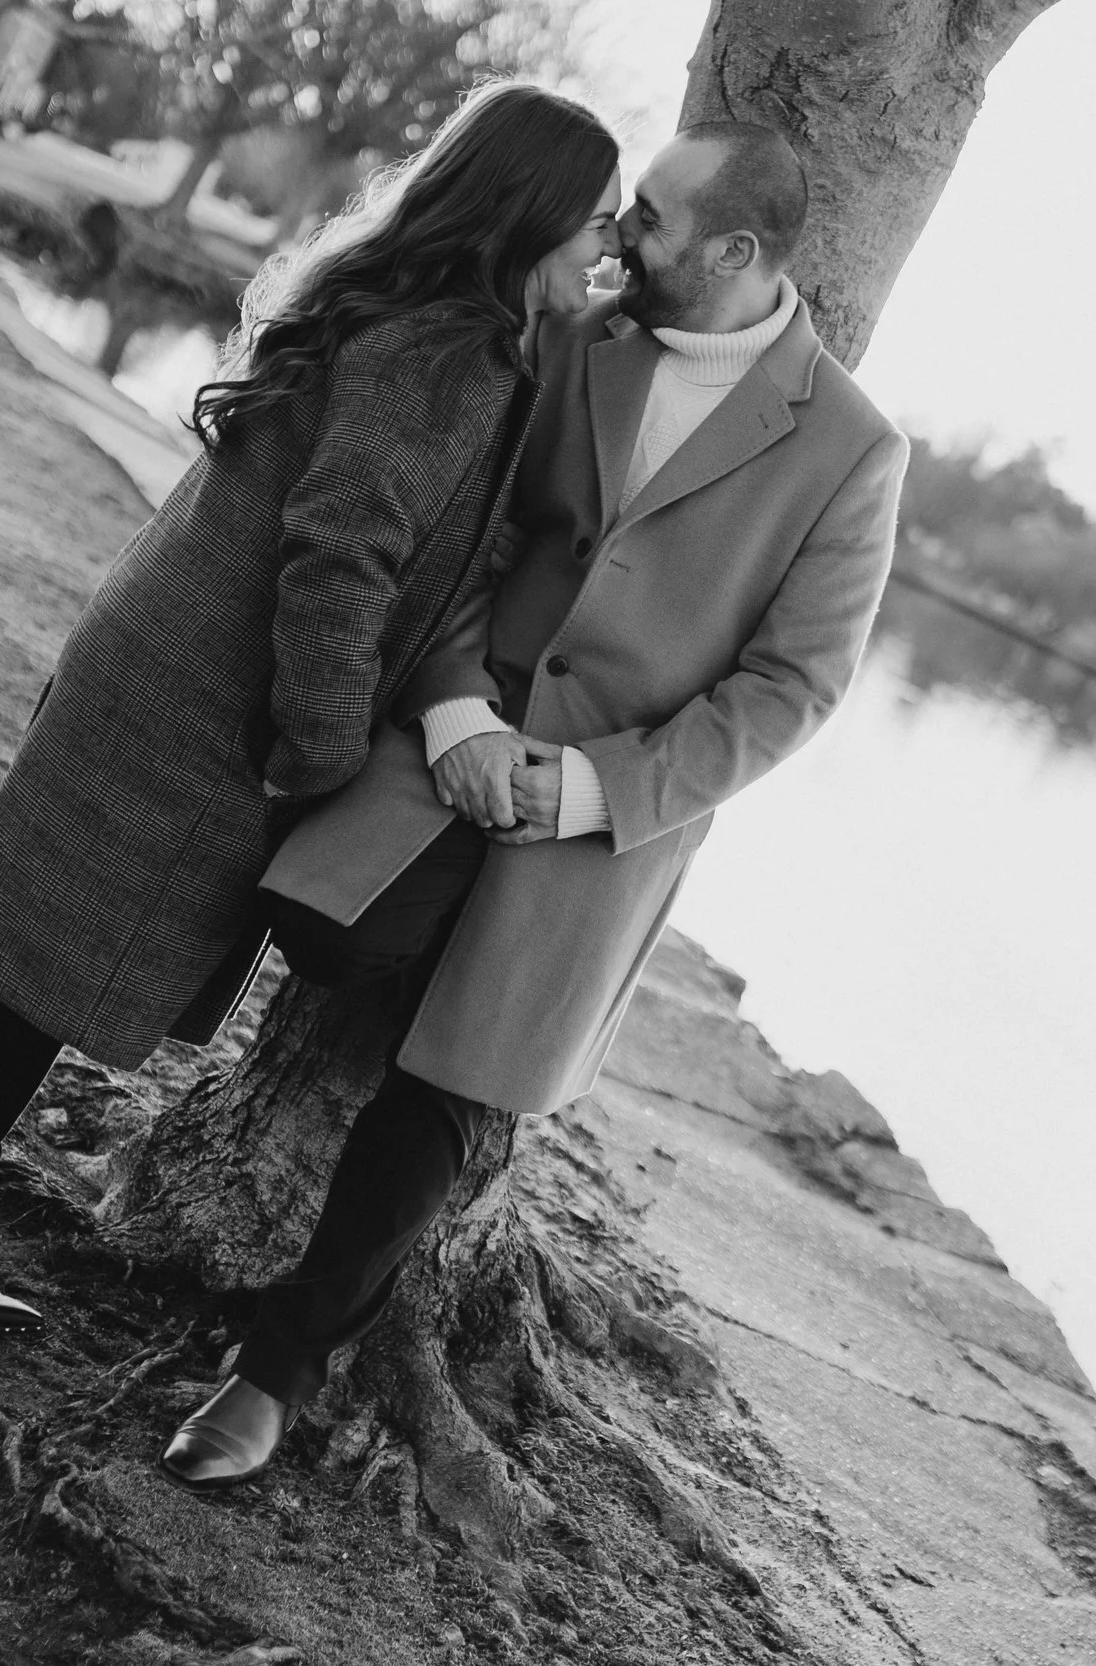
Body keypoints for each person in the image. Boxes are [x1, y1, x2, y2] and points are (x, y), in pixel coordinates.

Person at [0, 83, 624, 1343]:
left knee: (68, 935)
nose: (605, 247)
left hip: (174, 663)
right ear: (525, 217)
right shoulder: (444, 355)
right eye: (592, 220)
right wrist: (317, 753)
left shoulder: (426, 320)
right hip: (210, 703)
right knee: (73, 953)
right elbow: (339, 559)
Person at [152, 121, 908, 1490]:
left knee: (447, 1091)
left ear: (736, 253)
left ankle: (275, 1369)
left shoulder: (851, 449)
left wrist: (594, 791)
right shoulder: (571, 338)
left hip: (605, 826)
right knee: (317, 927)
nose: (621, 235)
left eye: (656, 221)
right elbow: (471, 540)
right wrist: (457, 713)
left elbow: (794, 687)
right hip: (456, 735)